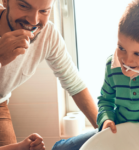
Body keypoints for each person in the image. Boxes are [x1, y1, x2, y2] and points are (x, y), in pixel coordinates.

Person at [52, 0, 139, 149]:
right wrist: (106, 119)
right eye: (121, 47)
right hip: (119, 129)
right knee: (61, 148)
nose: (127, 60)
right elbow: (105, 100)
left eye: (138, 54)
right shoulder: (113, 66)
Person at [0, 0, 98, 147]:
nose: (34, 20)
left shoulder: (48, 34)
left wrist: (105, 130)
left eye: (44, 11)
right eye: (24, 6)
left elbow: (75, 85)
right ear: (5, 2)